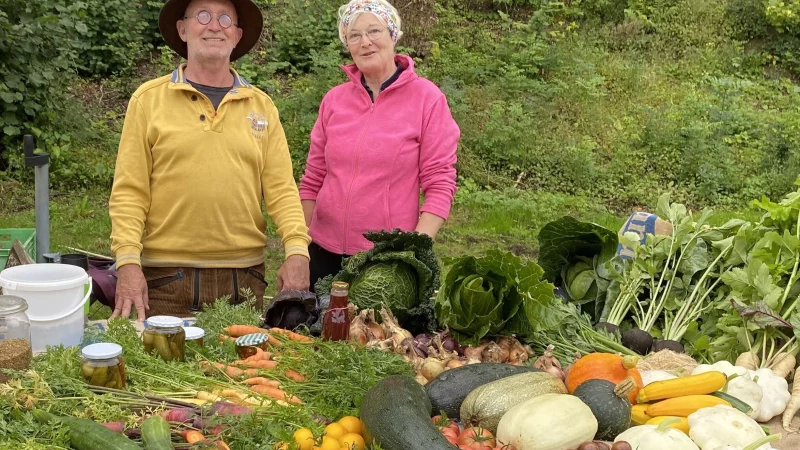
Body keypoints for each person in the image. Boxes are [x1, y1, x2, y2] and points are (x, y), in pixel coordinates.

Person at [109, 0, 310, 320]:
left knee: (246, 370)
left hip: (244, 279)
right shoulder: (148, 101)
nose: (214, 25)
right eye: (202, 15)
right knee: (164, 370)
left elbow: (282, 190)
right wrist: (128, 262)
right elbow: (129, 192)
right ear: (182, 28)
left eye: (225, 18)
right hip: (165, 280)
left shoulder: (262, 106)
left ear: (237, 35)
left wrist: (298, 251)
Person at [299, 0, 460, 291]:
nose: (366, 42)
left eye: (374, 31)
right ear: (346, 43)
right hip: (323, 251)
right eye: (354, 35)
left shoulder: (427, 99)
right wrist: (301, 245)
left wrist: (415, 250)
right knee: (318, 334)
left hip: (388, 257)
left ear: (393, 35)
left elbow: (440, 182)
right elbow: (312, 180)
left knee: (378, 336)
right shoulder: (334, 101)